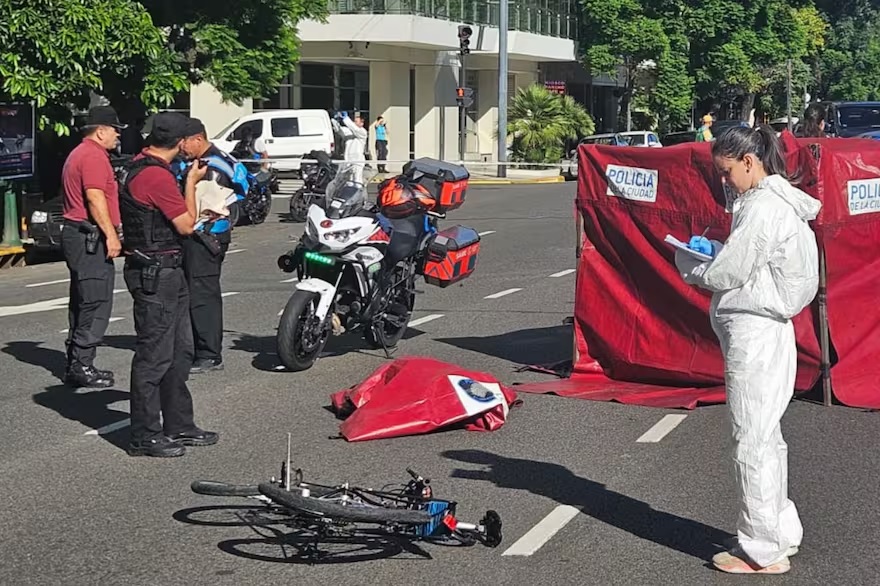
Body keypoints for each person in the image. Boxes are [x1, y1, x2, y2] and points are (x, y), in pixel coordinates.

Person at [674, 125, 821, 575]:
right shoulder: (778, 203)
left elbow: (731, 272)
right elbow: (754, 262)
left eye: (726, 172)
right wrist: (720, 251)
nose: (724, 181)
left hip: (755, 334)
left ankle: (761, 551)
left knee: (751, 440)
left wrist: (692, 263)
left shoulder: (761, 208)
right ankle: (777, 532)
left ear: (749, 162)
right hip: (770, 329)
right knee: (767, 437)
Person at [118, 111, 219, 458]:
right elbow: (186, 225)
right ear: (180, 142)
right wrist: (191, 183)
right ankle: (145, 434)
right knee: (154, 356)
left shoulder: (139, 165)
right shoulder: (155, 176)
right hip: (156, 273)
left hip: (165, 270)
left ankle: (178, 423)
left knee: (180, 351)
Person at [59, 106, 126, 388]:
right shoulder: (94, 156)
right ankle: (82, 365)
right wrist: (111, 235)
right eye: (115, 130)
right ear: (100, 131)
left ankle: (76, 362)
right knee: (95, 301)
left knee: (82, 299)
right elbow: (95, 197)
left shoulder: (80, 153)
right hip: (89, 236)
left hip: (78, 234)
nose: (118, 135)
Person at [178, 118, 250, 374]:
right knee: (197, 293)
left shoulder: (210, 167)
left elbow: (200, 208)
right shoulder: (214, 158)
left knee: (202, 296)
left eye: (183, 142)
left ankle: (209, 354)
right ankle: (197, 348)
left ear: (198, 139)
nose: (180, 147)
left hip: (205, 237)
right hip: (210, 236)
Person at [337, 111, 368, 185]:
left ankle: (358, 191)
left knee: (357, 179)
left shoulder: (363, 132)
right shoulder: (349, 132)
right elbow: (339, 130)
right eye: (354, 121)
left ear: (362, 123)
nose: (354, 123)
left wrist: (346, 118)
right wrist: (335, 120)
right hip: (348, 160)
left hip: (358, 160)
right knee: (349, 181)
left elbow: (355, 129)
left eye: (356, 121)